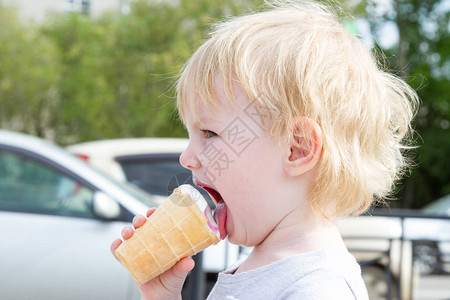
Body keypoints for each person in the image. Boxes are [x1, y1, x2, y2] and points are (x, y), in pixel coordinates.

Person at [111, 0, 419, 299]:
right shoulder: (252, 266)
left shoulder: (319, 288)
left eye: (209, 132)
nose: (186, 157)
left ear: (297, 149)